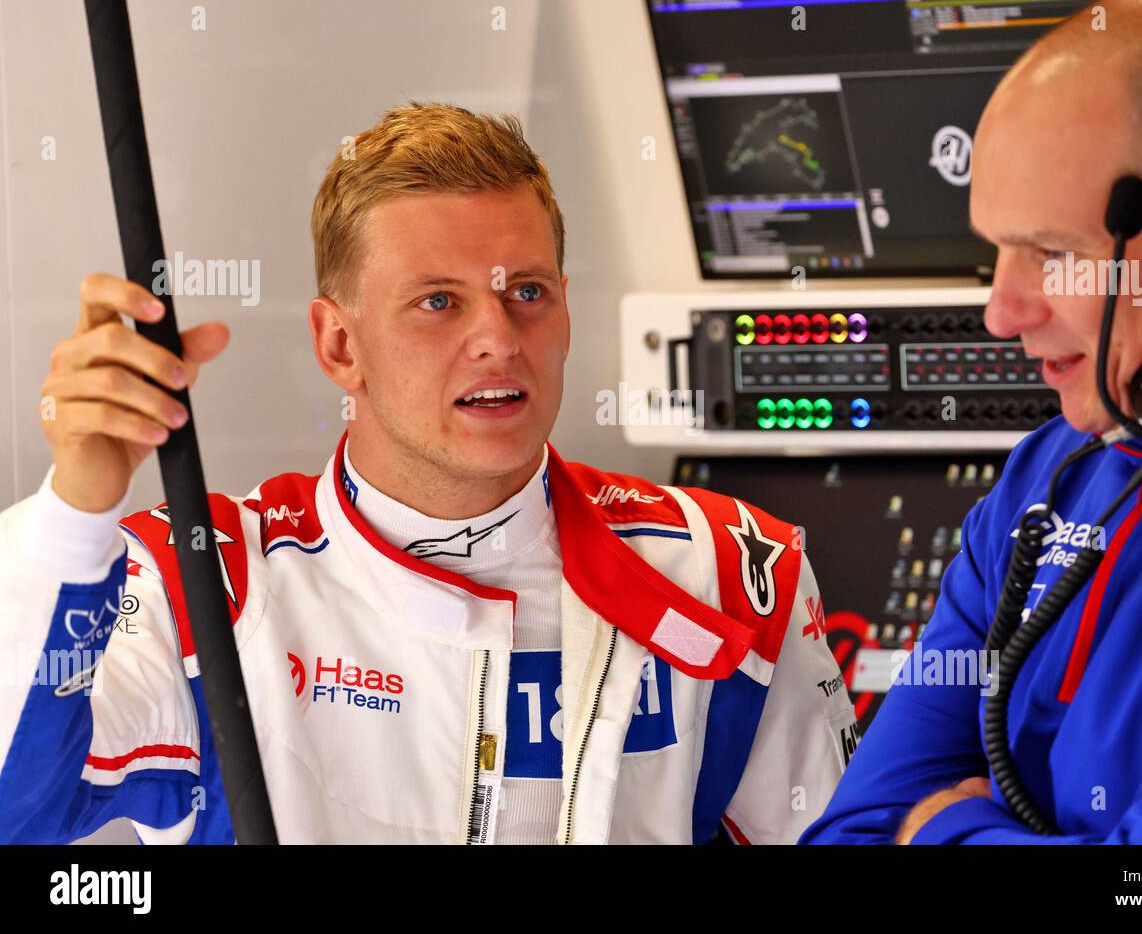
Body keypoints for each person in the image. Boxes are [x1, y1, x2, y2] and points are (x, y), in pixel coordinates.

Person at [0, 103, 856, 844]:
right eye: (439, 301)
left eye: (526, 292)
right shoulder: (203, 582)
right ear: (340, 344)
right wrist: (76, 508)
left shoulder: (732, 571)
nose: (498, 337)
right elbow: (18, 809)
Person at [802, 0, 1142, 844]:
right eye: (998, 249)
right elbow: (854, 829)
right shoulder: (1050, 472)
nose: (1002, 310)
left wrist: (940, 831)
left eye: (1055, 253)